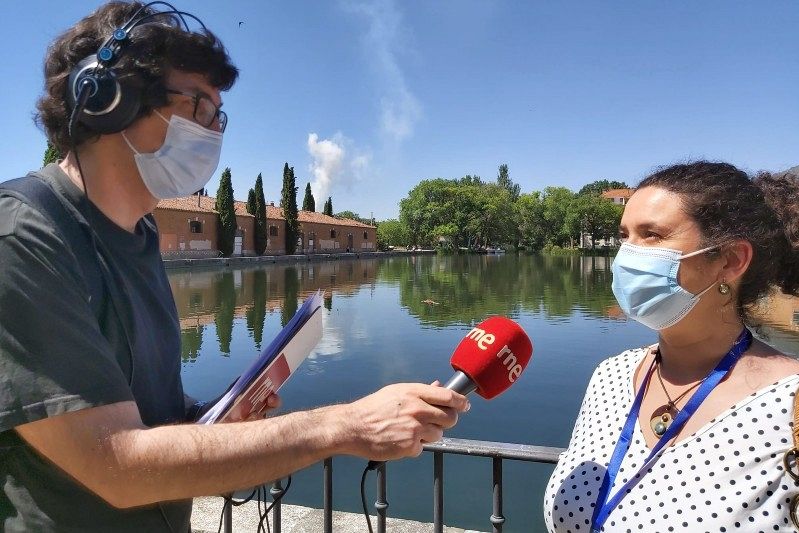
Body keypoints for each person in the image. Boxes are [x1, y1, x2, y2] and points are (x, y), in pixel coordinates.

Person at [0, 3, 468, 532]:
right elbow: (115, 466)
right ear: (110, 99)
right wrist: (347, 424)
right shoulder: (21, 235)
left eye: (219, 116)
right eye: (199, 106)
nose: (214, 131)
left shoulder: (141, 234)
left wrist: (224, 421)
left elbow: (148, 411)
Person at [543, 161, 799, 532]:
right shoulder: (611, 375)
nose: (627, 255)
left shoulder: (790, 404)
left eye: (652, 235)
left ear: (730, 261)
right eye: (625, 235)